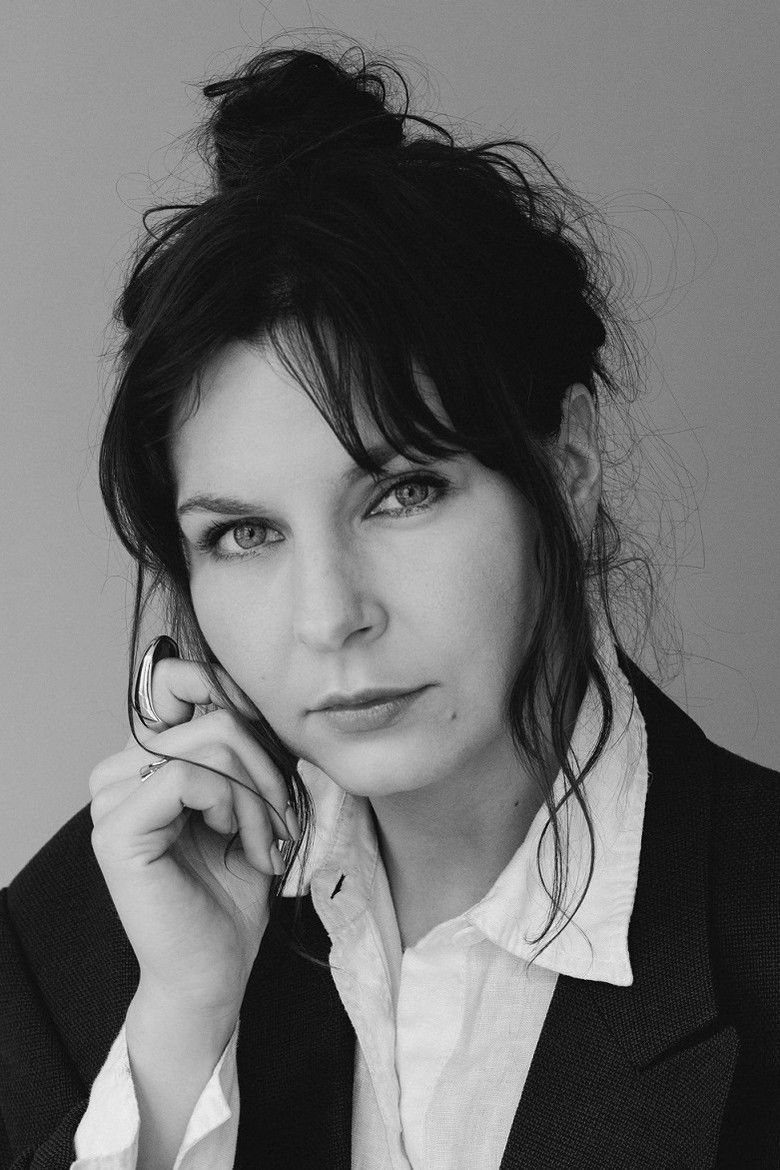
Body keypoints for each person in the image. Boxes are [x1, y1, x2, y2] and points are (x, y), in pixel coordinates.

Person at [0, 38, 777, 1170]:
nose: (330, 617)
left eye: (403, 493)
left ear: (567, 466)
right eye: (244, 534)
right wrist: (180, 1032)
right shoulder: (83, 934)